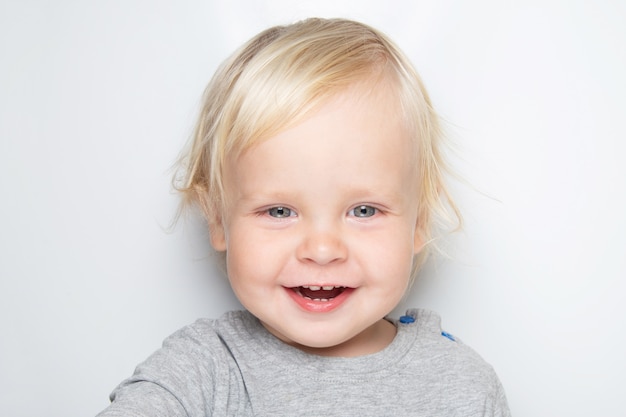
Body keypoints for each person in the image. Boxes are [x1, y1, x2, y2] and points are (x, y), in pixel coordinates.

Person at [97, 17, 510, 416]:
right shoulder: (201, 371)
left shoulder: (460, 385)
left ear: (419, 221)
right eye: (279, 211)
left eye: (363, 210)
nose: (323, 249)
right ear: (218, 219)